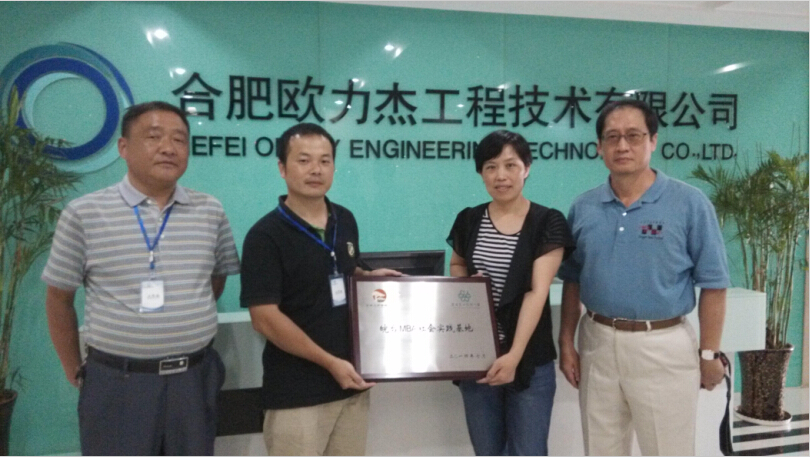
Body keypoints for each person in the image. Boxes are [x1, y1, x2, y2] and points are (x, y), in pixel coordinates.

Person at [42, 101, 241, 455]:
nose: (168, 148)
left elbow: (216, 279)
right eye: (154, 137)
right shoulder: (84, 213)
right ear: (123, 147)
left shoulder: (210, 210)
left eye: (179, 139)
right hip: (118, 383)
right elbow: (59, 299)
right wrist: (75, 369)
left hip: (193, 380)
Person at [557, 99, 730, 456]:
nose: (622, 146)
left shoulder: (689, 203)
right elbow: (572, 279)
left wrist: (709, 353)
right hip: (597, 341)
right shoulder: (583, 207)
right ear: (599, 147)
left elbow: (714, 285)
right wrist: (566, 342)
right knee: (601, 448)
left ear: (653, 141)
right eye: (612, 137)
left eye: (633, 136)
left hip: (663, 346)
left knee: (668, 450)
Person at [240, 123, 401, 456]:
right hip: (297, 395)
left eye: (325, 161)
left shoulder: (345, 219)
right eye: (304, 160)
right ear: (282, 168)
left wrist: (365, 276)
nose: (316, 169)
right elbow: (264, 318)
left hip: (352, 384)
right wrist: (330, 363)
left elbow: (339, 269)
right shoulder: (265, 236)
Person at [446, 130, 574, 456]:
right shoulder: (469, 219)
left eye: (510, 165)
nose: (500, 175)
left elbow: (537, 291)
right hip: (477, 356)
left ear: (526, 168)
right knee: (487, 451)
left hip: (528, 359)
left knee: (528, 451)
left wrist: (514, 356)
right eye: (490, 167)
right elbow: (457, 264)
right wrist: (469, 285)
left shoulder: (547, 222)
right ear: (480, 172)